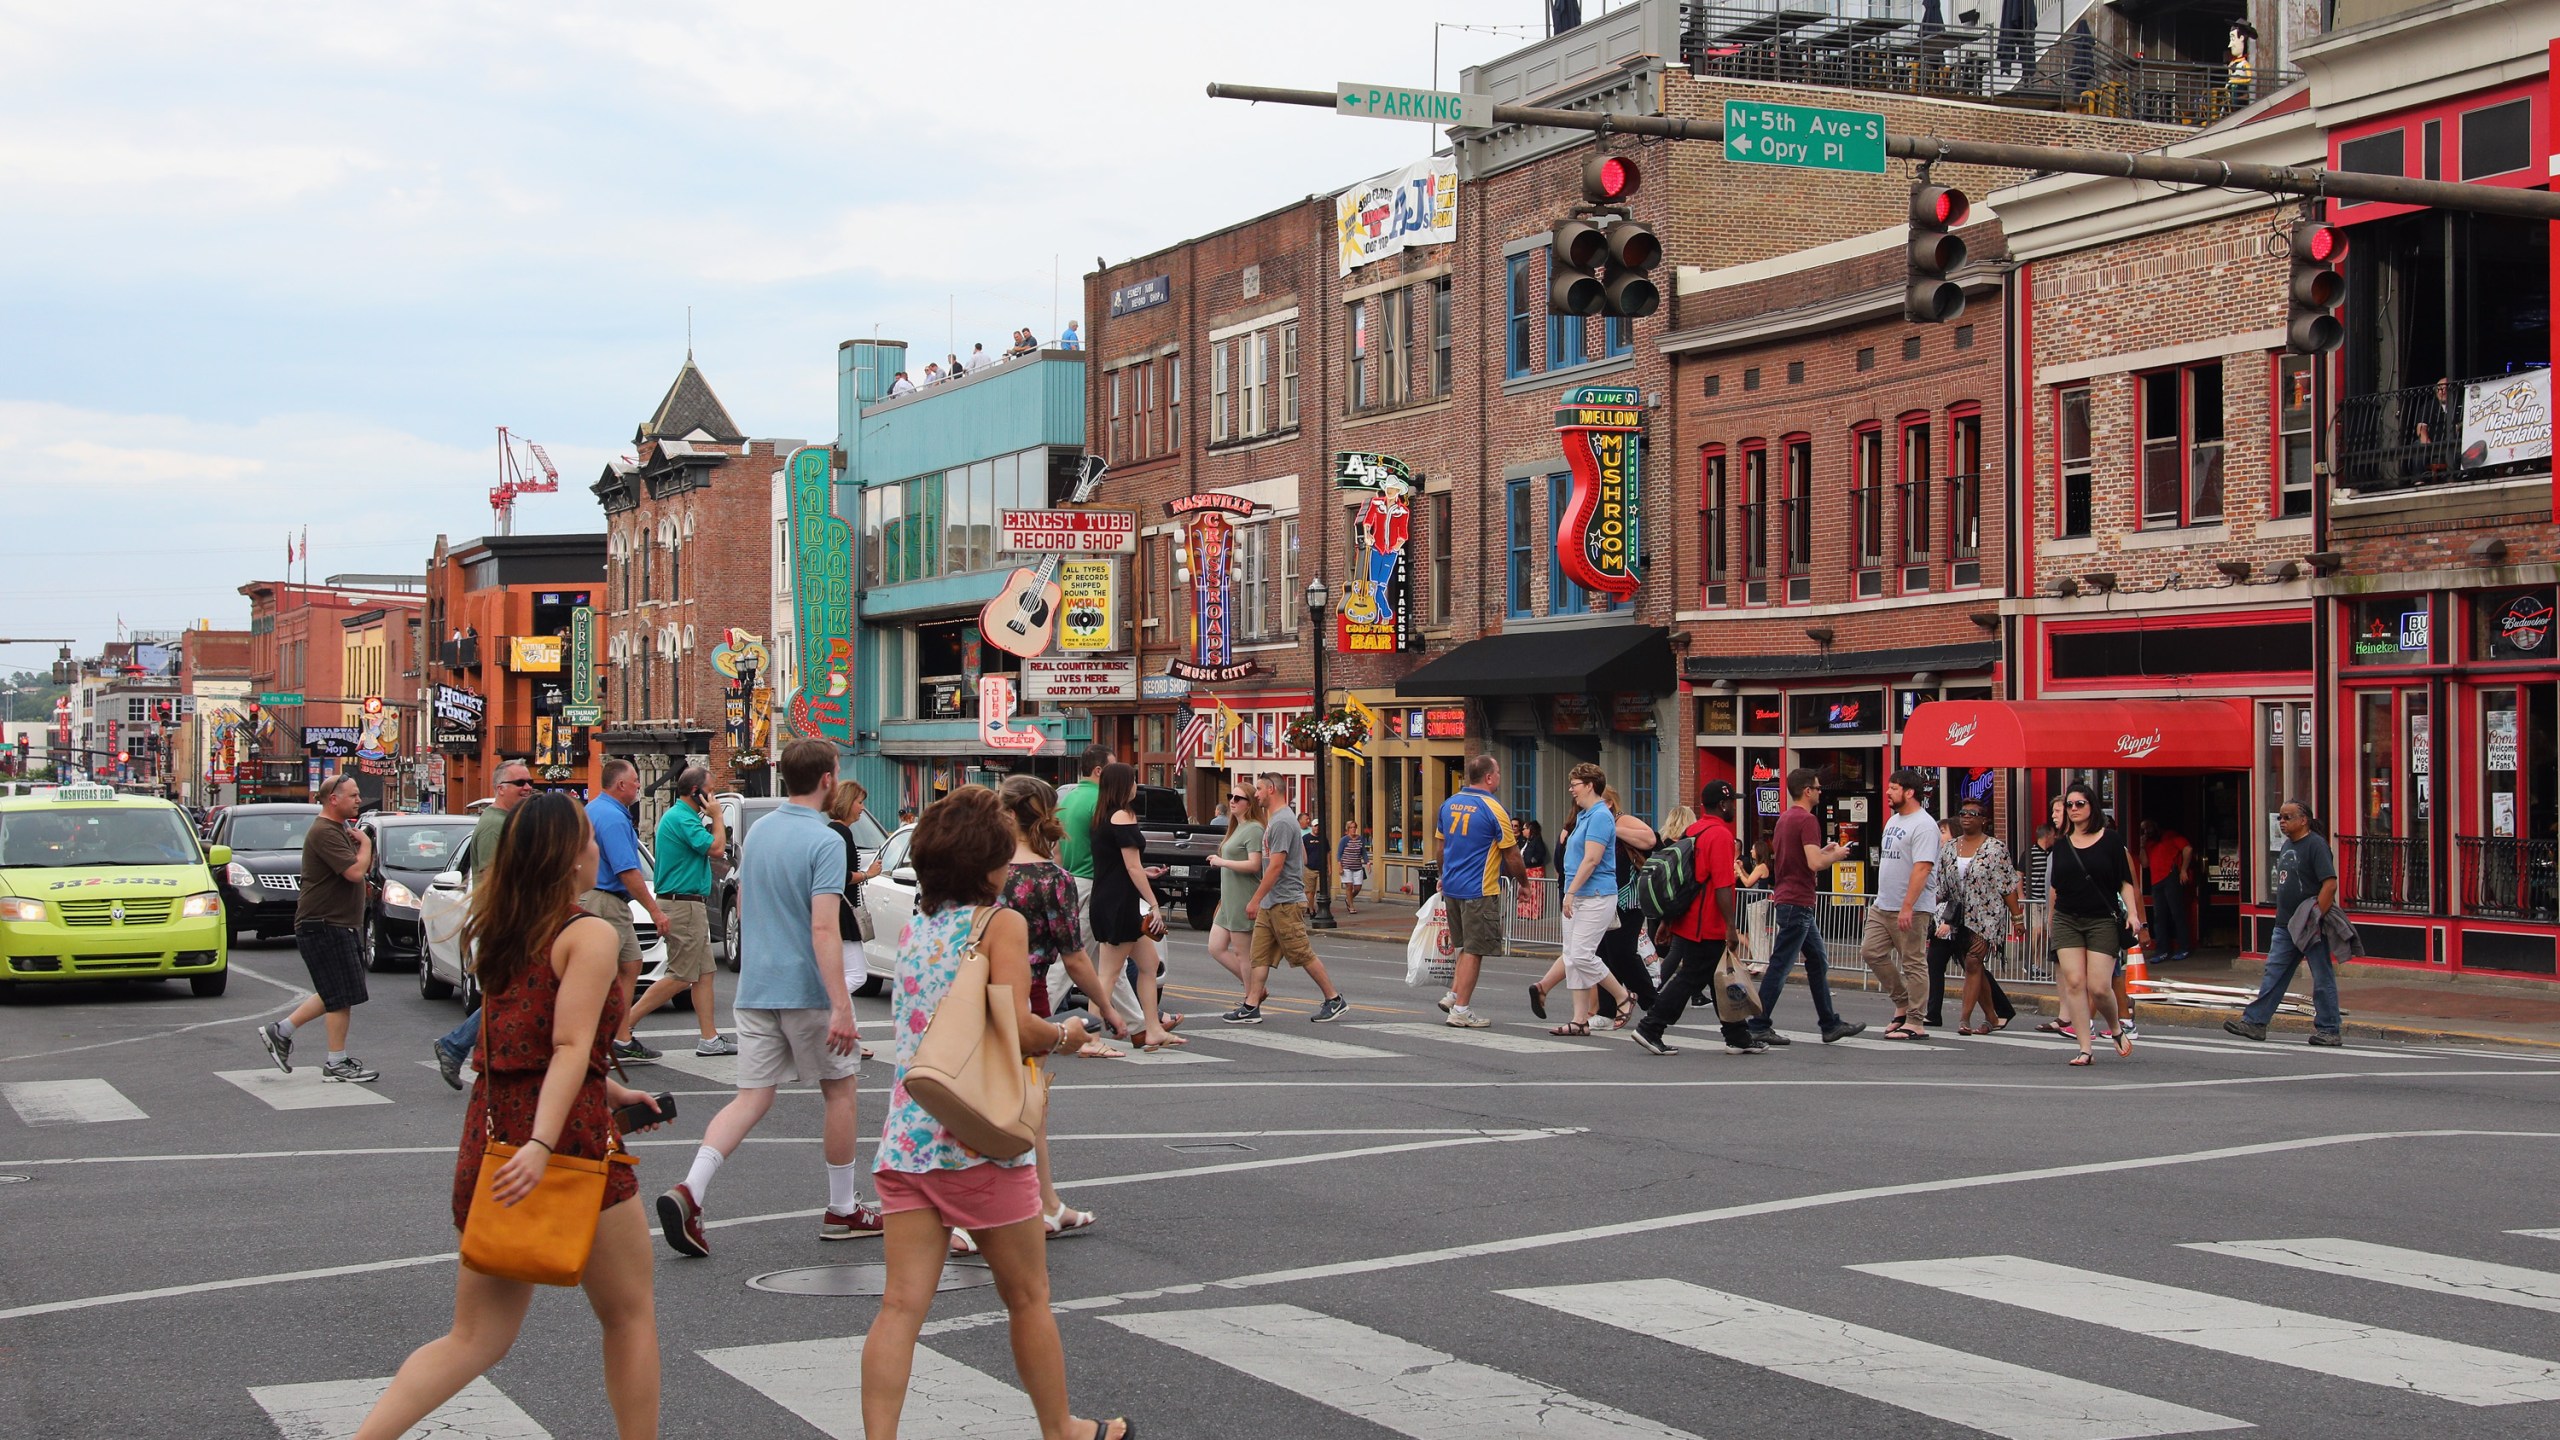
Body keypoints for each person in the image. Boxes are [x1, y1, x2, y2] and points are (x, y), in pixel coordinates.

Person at [351, 792, 666, 1440]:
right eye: (587, 838)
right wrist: (546, 1143)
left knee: (473, 1338)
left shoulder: (504, 929)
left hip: (494, 1137)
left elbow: (519, 1044)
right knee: (630, 1316)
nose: (597, 848)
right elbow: (570, 1047)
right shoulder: (589, 935)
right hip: (568, 1145)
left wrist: (611, 1094)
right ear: (566, 854)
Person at [858, 787, 1127, 1440]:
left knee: (899, 1308)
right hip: (978, 1138)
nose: (1011, 866)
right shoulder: (997, 924)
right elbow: (1016, 1028)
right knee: (1028, 1297)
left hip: (908, 1137)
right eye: (1003, 856)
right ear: (985, 863)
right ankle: (1061, 1427)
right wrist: (1068, 1033)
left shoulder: (919, 925)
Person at [654, 738, 876, 1257]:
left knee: (751, 1097)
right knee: (839, 1090)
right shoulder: (824, 840)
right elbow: (824, 928)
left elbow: (748, 905)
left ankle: (691, 1189)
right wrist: (841, 1003)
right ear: (828, 779)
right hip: (806, 989)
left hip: (756, 986)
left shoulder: (760, 833)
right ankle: (843, 1208)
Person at [994, 776, 1118, 1242]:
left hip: (979, 992)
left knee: (1007, 1103)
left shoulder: (984, 869)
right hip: (1029, 995)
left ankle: (1047, 1204)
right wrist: (1106, 1007)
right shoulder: (1052, 879)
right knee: (1029, 1106)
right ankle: (1021, 1208)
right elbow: (1075, 956)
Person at [255, 773, 379, 1082]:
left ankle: (281, 1031)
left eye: (358, 795)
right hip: (324, 924)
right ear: (333, 799)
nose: (359, 800)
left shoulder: (337, 829)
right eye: (353, 795)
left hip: (335, 923)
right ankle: (335, 1062)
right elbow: (353, 872)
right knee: (340, 995)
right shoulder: (325, 831)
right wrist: (365, 843)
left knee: (338, 991)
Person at [1631, 780, 1756, 1056]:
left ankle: (1737, 1035)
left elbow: (1683, 880)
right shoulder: (1721, 835)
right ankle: (1651, 1026)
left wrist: (1667, 921)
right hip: (1708, 922)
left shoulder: (1694, 830)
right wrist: (1731, 928)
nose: (1734, 806)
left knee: (1715, 978)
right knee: (1691, 978)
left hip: (1689, 918)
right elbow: (1723, 886)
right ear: (1722, 805)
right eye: (1731, 801)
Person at [431, 759, 536, 1088]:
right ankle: (458, 1045)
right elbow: (492, 878)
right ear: (501, 789)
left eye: (529, 781)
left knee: (513, 993)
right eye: (520, 783)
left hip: (508, 920)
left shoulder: (507, 821)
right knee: (515, 993)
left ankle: (468, 1048)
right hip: (504, 922)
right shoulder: (494, 824)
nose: (528, 787)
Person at [619, 766, 733, 1057]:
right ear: (696, 792)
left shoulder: (683, 817)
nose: (715, 796)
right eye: (711, 790)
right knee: (682, 975)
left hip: (689, 903)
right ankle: (621, 1031)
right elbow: (717, 849)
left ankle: (710, 1039)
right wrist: (718, 817)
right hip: (682, 904)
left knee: (705, 973)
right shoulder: (682, 818)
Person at [1745, 768, 1863, 1046]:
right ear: (1807, 791)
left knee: (1817, 962)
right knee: (1781, 965)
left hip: (1790, 898)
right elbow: (1812, 863)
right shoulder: (1808, 820)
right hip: (1798, 901)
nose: (1821, 792)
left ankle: (1830, 1024)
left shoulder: (1785, 818)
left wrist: (1823, 852)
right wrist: (1836, 855)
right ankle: (1758, 1024)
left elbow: (1798, 858)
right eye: (1819, 788)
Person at [1228, 772, 1351, 1024]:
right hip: (1271, 902)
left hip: (1284, 901)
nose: (1257, 794)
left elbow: (1275, 866)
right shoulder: (1278, 820)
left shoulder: (1282, 822)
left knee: (1301, 953)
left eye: (1260, 789)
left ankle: (1334, 999)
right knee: (1259, 955)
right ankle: (1251, 1005)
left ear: (1272, 789)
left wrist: (1254, 899)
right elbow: (1303, 857)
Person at [1529, 791, 1656, 1024]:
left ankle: (1647, 1003)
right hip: (1592, 897)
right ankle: (1600, 1011)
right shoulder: (1582, 822)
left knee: (1620, 954)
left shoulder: (1617, 819)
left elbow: (1650, 839)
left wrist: (1609, 829)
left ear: (1607, 802)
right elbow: (1567, 861)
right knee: (1597, 953)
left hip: (1624, 898)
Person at [2228, 800, 2345, 1046]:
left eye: (2287, 817)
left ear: (2304, 820)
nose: (2282, 822)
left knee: (2321, 975)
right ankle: (2255, 1023)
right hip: (2286, 924)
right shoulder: (2288, 845)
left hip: (2309, 923)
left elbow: (2330, 884)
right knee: (2274, 973)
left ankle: (2329, 1029)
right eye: (2280, 817)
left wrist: (2315, 918)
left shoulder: (2316, 845)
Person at [2050, 781, 2145, 1066]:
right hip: (2068, 919)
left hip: (2102, 920)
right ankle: (2084, 1048)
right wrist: (2050, 921)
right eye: (2070, 805)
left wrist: (2132, 914)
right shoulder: (2062, 844)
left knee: (2100, 986)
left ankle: (2115, 1028)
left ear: (2092, 806)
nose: (2074, 809)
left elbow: (2124, 881)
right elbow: (2056, 888)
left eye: (2080, 803)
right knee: (2075, 983)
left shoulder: (2111, 840)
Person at [1090, 762, 1183, 1049]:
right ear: (1121, 785)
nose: (1136, 786)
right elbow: (1131, 867)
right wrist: (1154, 904)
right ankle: (1091, 1038)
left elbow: (1125, 865)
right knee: (1107, 975)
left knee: (1149, 965)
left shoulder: (1103, 815)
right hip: (1119, 903)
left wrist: (1146, 872)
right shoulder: (1123, 815)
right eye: (1132, 780)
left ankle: (1152, 1029)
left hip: (1112, 898)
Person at [584, 761, 671, 1064]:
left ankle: (619, 1036)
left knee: (629, 964)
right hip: (604, 901)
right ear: (620, 785)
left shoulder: (595, 809)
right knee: (609, 971)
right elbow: (628, 870)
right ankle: (604, 1038)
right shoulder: (612, 818)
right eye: (635, 782)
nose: (638, 786)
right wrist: (655, 911)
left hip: (597, 898)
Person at [1431, 752, 1522, 1028]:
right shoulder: (1494, 808)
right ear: (1489, 777)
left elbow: (1440, 848)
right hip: (1479, 889)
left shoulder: (1449, 805)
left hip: (1453, 888)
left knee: (1463, 946)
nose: (1500, 779)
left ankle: (1454, 994)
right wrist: (1525, 884)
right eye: (1498, 774)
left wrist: (1442, 876)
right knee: (1474, 949)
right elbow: (1512, 854)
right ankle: (1461, 1009)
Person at [1861, 768, 1940, 1041]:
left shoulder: (1925, 825)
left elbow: (1922, 868)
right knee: (1871, 952)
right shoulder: (1892, 821)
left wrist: (1908, 906)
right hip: (1883, 905)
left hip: (1913, 909)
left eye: (1893, 788)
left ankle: (1916, 1020)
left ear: (1909, 792)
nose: (1887, 792)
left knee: (1913, 963)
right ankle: (1902, 1002)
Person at [1934, 799, 2023, 1036]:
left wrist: (2017, 918)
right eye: (1963, 812)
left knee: (1973, 962)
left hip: (1987, 915)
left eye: (1973, 814)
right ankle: (1993, 1016)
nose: (1966, 817)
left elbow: (2007, 886)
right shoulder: (1949, 848)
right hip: (1959, 916)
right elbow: (1941, 887)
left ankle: (1964, 1018)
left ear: (1984, 820)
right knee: (1973, 966)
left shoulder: (1996, 848)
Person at [1548, 763, 1619, 1036]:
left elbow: (1591, 860)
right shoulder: (1584, 816)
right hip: (1579, 895)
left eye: (1575, 784)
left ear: (1590, 785)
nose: (1571, 790)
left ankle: (1622, 996)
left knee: (1581, 954)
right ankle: (1579, 1019)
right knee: (1571, 956)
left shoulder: (1601, 815)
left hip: (1595, 894)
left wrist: (1570, 892)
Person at [826, 777, 883, 1056]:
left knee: (845, 974)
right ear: (848, 803)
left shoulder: (831, 831)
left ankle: (850, 1037)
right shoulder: (842, 834)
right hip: (843, 911)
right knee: (856, 975)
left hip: (836, 911)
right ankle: (831, 1016)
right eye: (860, 803)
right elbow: (841, 875)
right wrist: (867, 875)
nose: (862, 808)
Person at [1204, 779, 1265, 990]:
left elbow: (1255, 864)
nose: (1232, 801)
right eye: (1231, 797)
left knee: (1242, 954)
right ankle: (1256, 989)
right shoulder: (1236, 827)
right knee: (1215, 947)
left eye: (1238, 798)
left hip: (1243, 898)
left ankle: (1252, 998)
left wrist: (1222, 862)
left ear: (1249, 804)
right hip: (1229, 899)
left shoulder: (1254, 829)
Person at [2140, 818, 2194, 961]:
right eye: (2144, 829)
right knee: (2159, 917)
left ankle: (2184, 948)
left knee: (2177, 914)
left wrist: (2183, 870)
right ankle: (2162, 950)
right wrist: (2142, 846)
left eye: (2148, 827)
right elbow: (2144, 864)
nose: (2146, 831)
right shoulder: (2149, 843)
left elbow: (2188, 849)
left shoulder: (2170, 836)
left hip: (2171, 877)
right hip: (2156, 881)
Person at [1336, 822, 1369, 913]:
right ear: (1348, 829)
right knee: (1349, 886)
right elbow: (1339, 854)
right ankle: (1351, 906)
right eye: (1351, 828)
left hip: (1357, 866)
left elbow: (1363, 852)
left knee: (1358, 887)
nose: (1353, 829)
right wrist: (1340, 866)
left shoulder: (1360, 839)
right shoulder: (1344, 840)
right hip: (1346, 866)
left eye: (1354, 827)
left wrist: (1368, 862)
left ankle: (1348, 899)